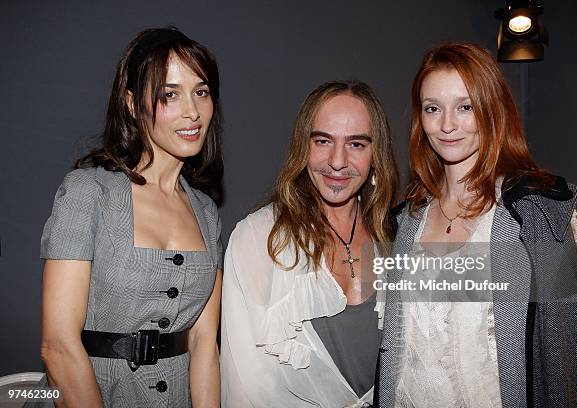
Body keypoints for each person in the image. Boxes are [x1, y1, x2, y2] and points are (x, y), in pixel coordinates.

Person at [377, 42, 577, 407]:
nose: (446, 125)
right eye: (432, 108)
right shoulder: (407, 220)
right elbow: (396, 350)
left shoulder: (537, 213)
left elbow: (561, 361)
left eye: (465, 107)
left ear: (492, 109)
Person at [33, 27, 223, 407]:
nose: (192, 110)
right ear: (133, 103)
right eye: (169, 94)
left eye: (201, 92)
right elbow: (58, 346)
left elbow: (204, 345)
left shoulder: (207, 213)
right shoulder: (89, 193)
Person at [220, 80, 398, 407]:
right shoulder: (259, 237)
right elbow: (245, 383)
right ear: (304, 146)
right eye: (323, 140)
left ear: (376, 155)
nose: (337, 161)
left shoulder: (396, 234)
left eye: (357, 144)